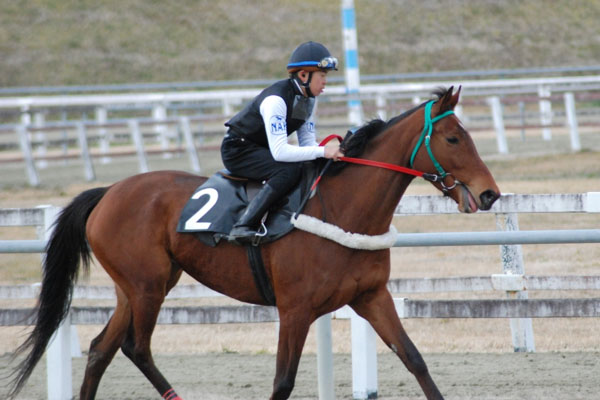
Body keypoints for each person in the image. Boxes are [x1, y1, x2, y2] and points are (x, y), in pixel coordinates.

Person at [221, 41, 344, 243]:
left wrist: (331, 153)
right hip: (238, 150)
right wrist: (324, 151)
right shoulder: (276, 100)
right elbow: (280, 152)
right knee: (288, 170)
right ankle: (244, 225)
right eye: (322, 75)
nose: (325, 82)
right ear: (303, 75)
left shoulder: (308, 100)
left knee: (311, 163)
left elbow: (308, 145)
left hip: (261, 148)